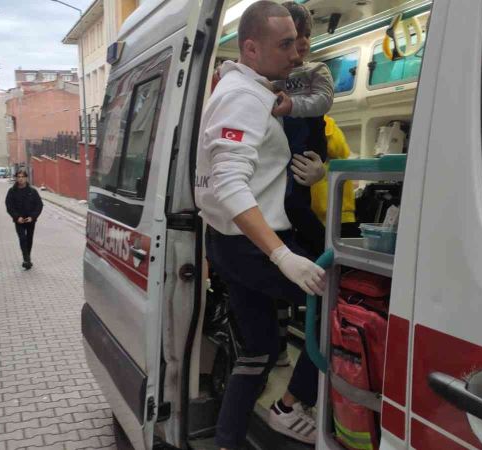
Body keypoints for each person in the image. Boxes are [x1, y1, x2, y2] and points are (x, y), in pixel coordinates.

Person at [194, 2, 327, 448]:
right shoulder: (244, 97)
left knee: (260, 349)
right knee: (337, 308)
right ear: (250, 47)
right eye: (284, 44)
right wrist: (282, 255)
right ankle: (289, 408)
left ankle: (228, 440)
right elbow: (229, 183)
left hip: (231, 244)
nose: (295, 54)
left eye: (296, 42)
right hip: (253, 244)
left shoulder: (240, 87)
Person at [274, 2, 335, 368]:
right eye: (295, 39)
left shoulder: (316, 72)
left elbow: (323, 101)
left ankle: (323, 254)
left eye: (307, 37)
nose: (302, 46)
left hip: (303, 159)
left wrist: (289, 105)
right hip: (283, 166)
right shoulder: (274, 78)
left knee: (297, 205)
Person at [5, 169, 43, 269]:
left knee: (29, 239)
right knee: (22, 238)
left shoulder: (32, 191)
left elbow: (39, 205)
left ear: (26, 178)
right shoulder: (12, 191)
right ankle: (26, 259)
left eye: (22, 177)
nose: (21, 179)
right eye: (19, 177)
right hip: (19, 220)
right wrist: (17, 217)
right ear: (16, 178)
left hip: (30, 220)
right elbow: (9, 206)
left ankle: (27, 257)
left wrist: (33, 217)